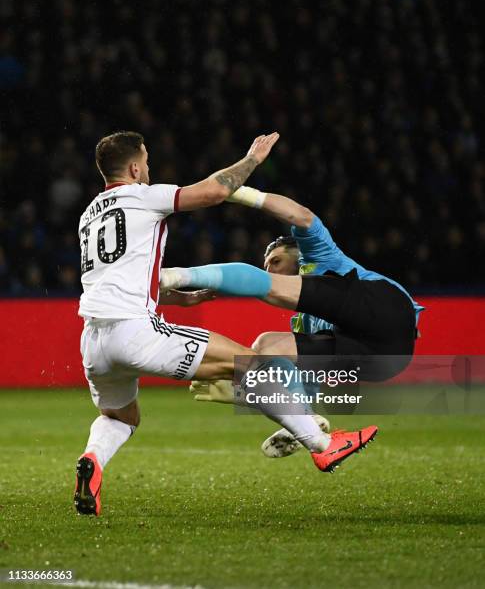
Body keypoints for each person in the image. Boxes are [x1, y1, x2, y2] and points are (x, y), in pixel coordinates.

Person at [75, 131, 377, 516]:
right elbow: (215, 191)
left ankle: (92, 461)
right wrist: (252, 158)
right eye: (146, 161)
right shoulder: (144, 196)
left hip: (93, 340)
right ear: (134, 167)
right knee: (248, 363)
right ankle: (322, 446)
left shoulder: (88, 217)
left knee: (120, 417)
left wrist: (176, 298)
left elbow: (115, 279)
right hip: (135, 331)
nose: (149, 168)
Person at [160, 185, 424, 453]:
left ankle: (173, 275)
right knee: (268, 348)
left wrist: (238, 193)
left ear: (297, 253)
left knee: (270, 292)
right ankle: (304, 423)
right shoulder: (304, 322)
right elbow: (301, 380)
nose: (269, 269)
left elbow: (302, 215)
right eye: (266, 266)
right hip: (387, 361)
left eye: (275, 261)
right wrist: (243, 392)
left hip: (387, 310)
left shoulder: (320, 253)